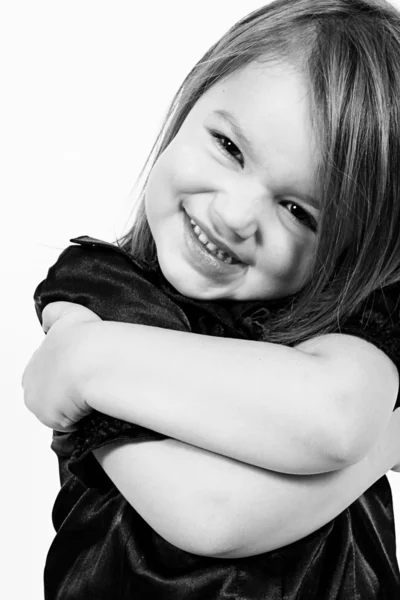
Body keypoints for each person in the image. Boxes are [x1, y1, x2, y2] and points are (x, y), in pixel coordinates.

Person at [23, 0, 400, 598]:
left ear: (357, 250)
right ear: (191, 101)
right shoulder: (101, 291)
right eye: (229, 146)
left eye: (299, 211)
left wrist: (88, 363)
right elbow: (205, 511)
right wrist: (392, 439)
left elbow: (336, 419)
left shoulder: (352, 319)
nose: (232, 214)